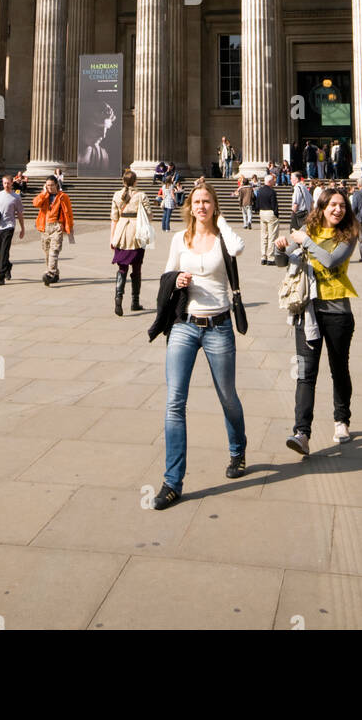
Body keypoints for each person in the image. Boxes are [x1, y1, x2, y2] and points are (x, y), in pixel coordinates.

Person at [151, 183, 247, 509]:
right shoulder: (180, 239)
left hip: (219, 327)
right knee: (175, 401)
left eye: (207, 202)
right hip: (184, 326)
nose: (201, 206)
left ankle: (237, 450)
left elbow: (239, 248)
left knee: (227, 397)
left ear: (214, 206)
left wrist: (221, 223)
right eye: (197, 202)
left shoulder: (223, 239)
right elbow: (166, 274)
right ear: (188, 206)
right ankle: (172, 481)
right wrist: (176, 279)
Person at [276, 186, 360, 454]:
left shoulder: (349, 235)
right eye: (333, 205)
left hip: (338, 312)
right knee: (305, 374)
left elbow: (331, 260)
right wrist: (280, 248)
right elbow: (282, 261)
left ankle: (341, 419)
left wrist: (304, 241)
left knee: (339, 369)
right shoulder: (306, 232)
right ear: (321, 207)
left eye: (342, 206)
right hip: (307, 311)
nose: (338, 210)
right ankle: (301, 432)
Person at [110, 169, 152, 314]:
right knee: (137, 268)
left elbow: (114, 219)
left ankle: (118, 299)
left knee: (122, 268)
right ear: (135, 181)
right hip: (137, 234)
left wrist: (112, 238)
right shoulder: (141, 195)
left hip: (121, 234)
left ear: (123, 181)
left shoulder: (116, 195)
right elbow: (150, 216)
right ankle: (135, 301)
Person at [33, 176, 75, 286]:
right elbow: (35, 203)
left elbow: (69, 213)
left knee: (54, 251)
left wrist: (69, 227)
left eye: (52, 185)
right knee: (46, 251)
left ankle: (50, 273)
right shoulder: (44, 196)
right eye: (48, 185)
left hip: (57, 226)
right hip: (45, 226)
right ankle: (54, 272)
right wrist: (44, 193)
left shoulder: (63, 197)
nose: (50, 187)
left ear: (56, 184)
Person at [0, 175, 25, 285]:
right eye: (4, 183)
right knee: (0, 251)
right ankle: (8, 265)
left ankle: (1, 276)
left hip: (9, 226)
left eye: (8, 183)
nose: (6, 185)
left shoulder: (16, 197)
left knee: (4, 250)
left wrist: (22, 228)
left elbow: (19, 214)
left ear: (12, 183)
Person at [253, 171, 279, 264]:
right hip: (270, 213)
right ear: (270, 182)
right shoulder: (272, 192)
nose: (274, 182)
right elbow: (274, 204)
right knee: (272, 236)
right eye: (273, 181)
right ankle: (271, 257)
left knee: (264, 235)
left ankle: (263, 256)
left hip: (262, 212)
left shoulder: (260, 191)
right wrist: (276, 214)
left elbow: (257, 202)